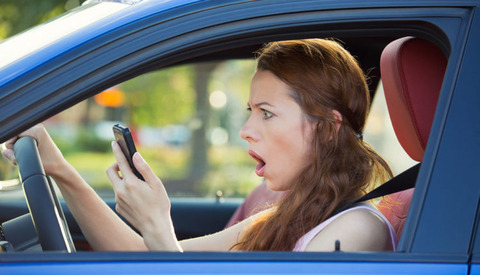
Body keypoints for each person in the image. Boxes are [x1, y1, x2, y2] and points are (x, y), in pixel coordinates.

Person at [2, 39, 396, 252]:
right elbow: (142, 257)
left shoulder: (355, 231)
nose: (245, 129)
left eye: (266, 113)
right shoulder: (287, 215)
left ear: (327, 129)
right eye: (249, 110)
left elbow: (162, 253)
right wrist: (59, 169)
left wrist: (157, 225)